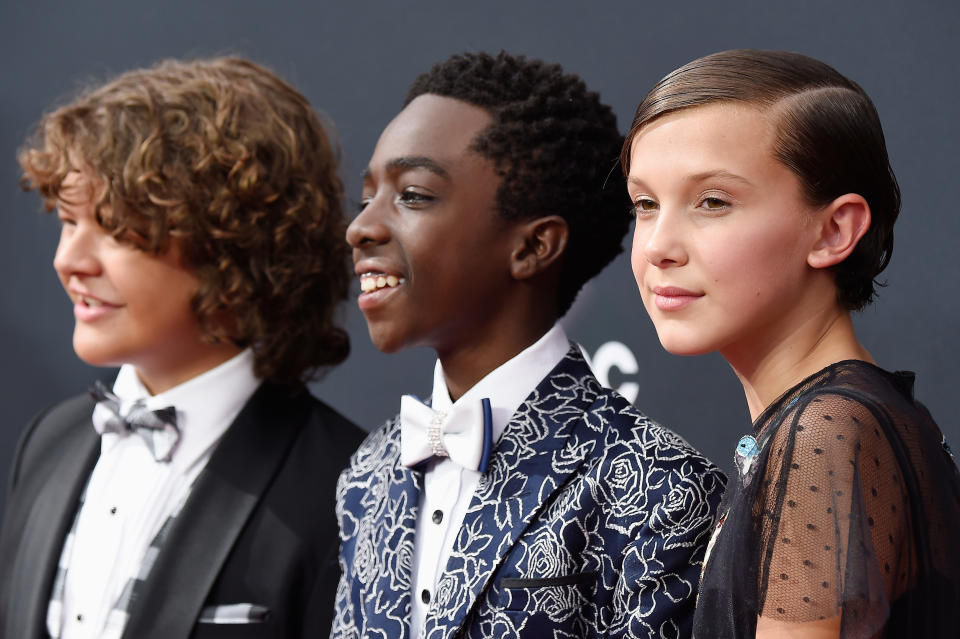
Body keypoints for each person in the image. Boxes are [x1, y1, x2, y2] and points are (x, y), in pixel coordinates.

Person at [333, 51, 725, 639]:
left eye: (412, 194)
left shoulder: (660, 486)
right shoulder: (365, 476)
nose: (361, 227)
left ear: (534, 247)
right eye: (368, 196)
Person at [0, 57, 365, 639]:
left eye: (117, 228)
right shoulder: (49, 443)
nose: (69, 260)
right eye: (69, 220)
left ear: (235, 247)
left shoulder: (352, 486)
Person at [622, 49, 960, 638]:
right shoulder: (833, 421)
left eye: (712, 202)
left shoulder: (826, 432)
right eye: (646, 204)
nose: (658, 246)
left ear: (834, 230)